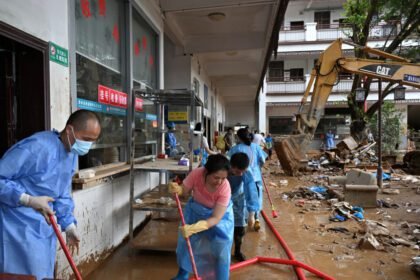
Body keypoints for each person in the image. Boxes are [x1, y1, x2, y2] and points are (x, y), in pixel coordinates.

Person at [0, 109, 101, 279]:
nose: (88, 146)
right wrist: (27, 199)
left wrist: (69, 226)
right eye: (86, 139)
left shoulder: (71, 154)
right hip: (16, 227)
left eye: (93, 141)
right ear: (69, 130)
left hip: (43, 228)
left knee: (41, 274)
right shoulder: (37, 147)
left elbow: (61, 194)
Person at [169, 154, 234, 280]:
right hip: (196, 211)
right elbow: (184, 192)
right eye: (216, 177)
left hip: (220, 218)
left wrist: (198, 227)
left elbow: (216, 218)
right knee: (187, 243)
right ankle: (182, 275)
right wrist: (177, 190)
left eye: (223, 178)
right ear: (206, 172)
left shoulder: (225, 188)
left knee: (221, 249)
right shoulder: (197, 174)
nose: (219, 182)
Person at [227, 128, 266, 231]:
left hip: (240, 177)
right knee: (255, 195)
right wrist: (257, 168)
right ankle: (255, 217)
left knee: (242, 196)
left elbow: (228, 160)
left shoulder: (235, 148)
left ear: (238, 137)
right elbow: (262, 161)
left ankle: (247, 217)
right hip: (255, 175)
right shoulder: (256, 147)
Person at [228, 153, 259, 262]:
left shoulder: (246, 172)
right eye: (237, 172)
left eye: (242, 171)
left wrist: (251, 214)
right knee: (221, 227)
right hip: (221, 199)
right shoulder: (222, 168)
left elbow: (251, 192)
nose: (240, 174)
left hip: (238, 199)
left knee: (240, 228)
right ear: (231, 166)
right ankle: (221, 252)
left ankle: (237, 251)